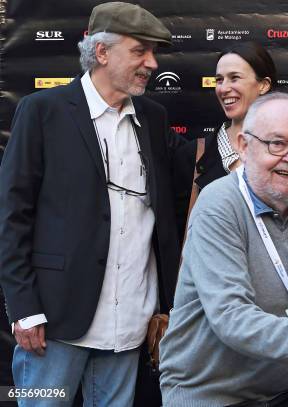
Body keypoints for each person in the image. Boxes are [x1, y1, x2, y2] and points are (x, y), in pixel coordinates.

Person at [0, 3, 180, 405]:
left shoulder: (153, 117)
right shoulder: (42, 111)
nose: (151, 63)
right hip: (57, 321)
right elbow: (11, 217)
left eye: (153, 53)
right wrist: (23, 308)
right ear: (102, 53)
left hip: (131, 320)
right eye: (139, 51)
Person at [159, 92, 288, 407]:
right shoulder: (219, 204)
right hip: (206, 393)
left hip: (283, 392)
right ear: (245, 147)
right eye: (277, 143)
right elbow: (230, 318)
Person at [173, 42, 277, 238]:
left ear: (263, 85)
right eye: (219, 80)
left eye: (234, 78)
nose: (224, 88)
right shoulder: (193, 155)